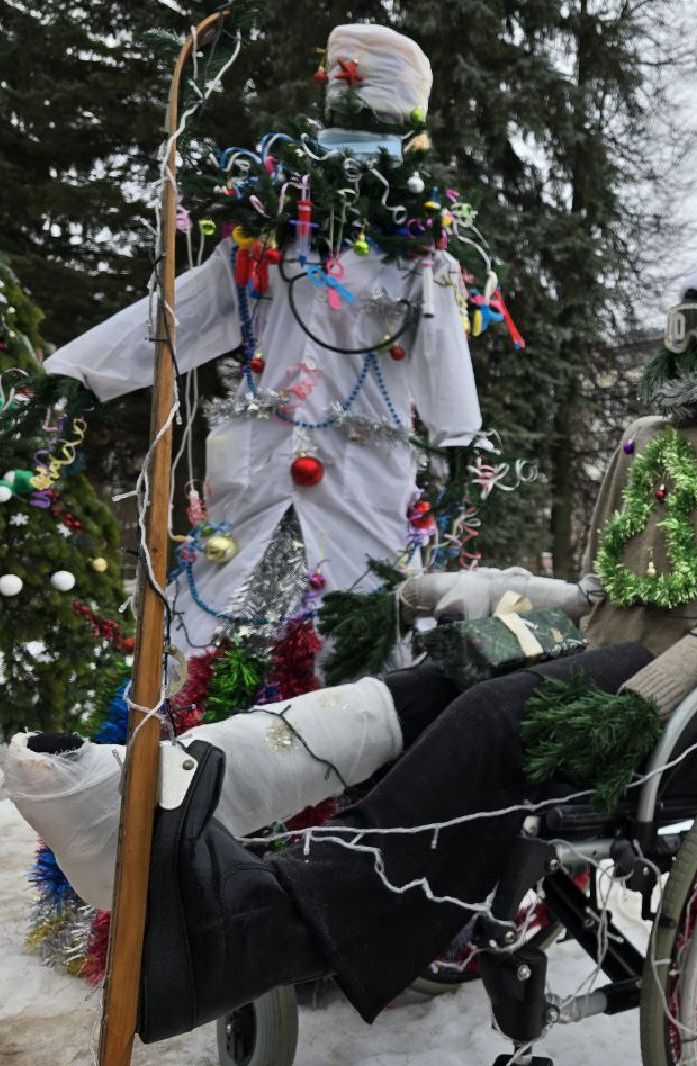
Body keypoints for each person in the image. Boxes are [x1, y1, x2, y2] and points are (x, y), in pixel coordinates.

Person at [7, 257, 697, 1041]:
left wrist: (642, 697)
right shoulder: (643, 434)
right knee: (428, 683)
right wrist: (486, 598)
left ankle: (277, 918)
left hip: (694, 672)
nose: (694, 344)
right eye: (682, 323)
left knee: (490, 714)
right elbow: (597, 587)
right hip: (598, 640)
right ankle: (180, 784)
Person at [41, 25, 485, 654]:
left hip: (359, 487)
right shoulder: (270, 229)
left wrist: (459, 462)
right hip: (256, 476)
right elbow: (183, 313)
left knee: (348, 642)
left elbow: (445, 380)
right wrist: (78, 374)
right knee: (214, 642)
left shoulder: (418, 254)